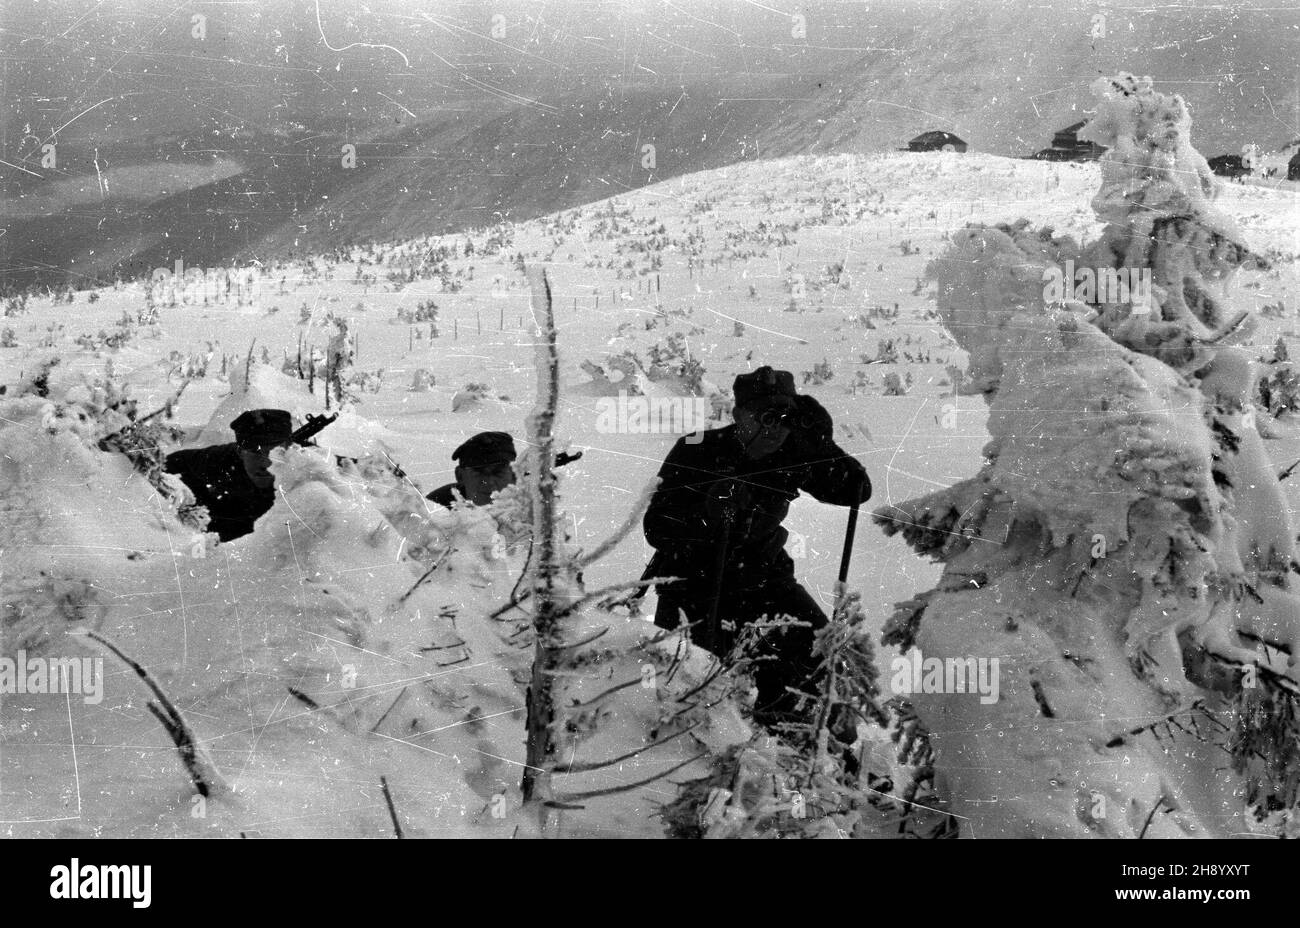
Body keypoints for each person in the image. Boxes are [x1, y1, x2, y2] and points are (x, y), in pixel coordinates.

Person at [642, 366, 871, 725]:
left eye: (786, 419)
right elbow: (656, 527)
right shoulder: (698, 448)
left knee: (815, 656)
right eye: (765, 417)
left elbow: (854, 489)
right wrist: (708, 513)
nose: (775, 429)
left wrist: (821, 445)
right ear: (738, 415)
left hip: (763, 580)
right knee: (687, 686)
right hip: (694, 585)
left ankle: (794, 741)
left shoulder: (791, 453)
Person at [165, 409, 293, 542]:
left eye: (276, 451)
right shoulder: (223, 459)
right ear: (240, 452)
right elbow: (171, 464)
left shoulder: (307, 468)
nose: (267, 462)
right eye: (256, 452)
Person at [426, 431, 517, 508]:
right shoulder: (436, 508)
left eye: (498, 472)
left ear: (515, 474)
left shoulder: (529, 504)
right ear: (460, 476)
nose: (488, 482)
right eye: (479, 473)